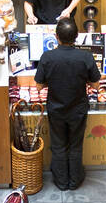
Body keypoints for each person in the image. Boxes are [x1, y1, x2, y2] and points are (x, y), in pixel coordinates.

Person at [34, 17, 99, 192]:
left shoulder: (48, 57)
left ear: (56, 36)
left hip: (56, 109)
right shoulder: (85, 57)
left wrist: (53, 81)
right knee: (76, 145)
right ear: (77, 36)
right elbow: (95, 84)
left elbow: (39, 86)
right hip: (78, 109)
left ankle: (61, 182)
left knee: (58, 145)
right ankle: (75, 181)